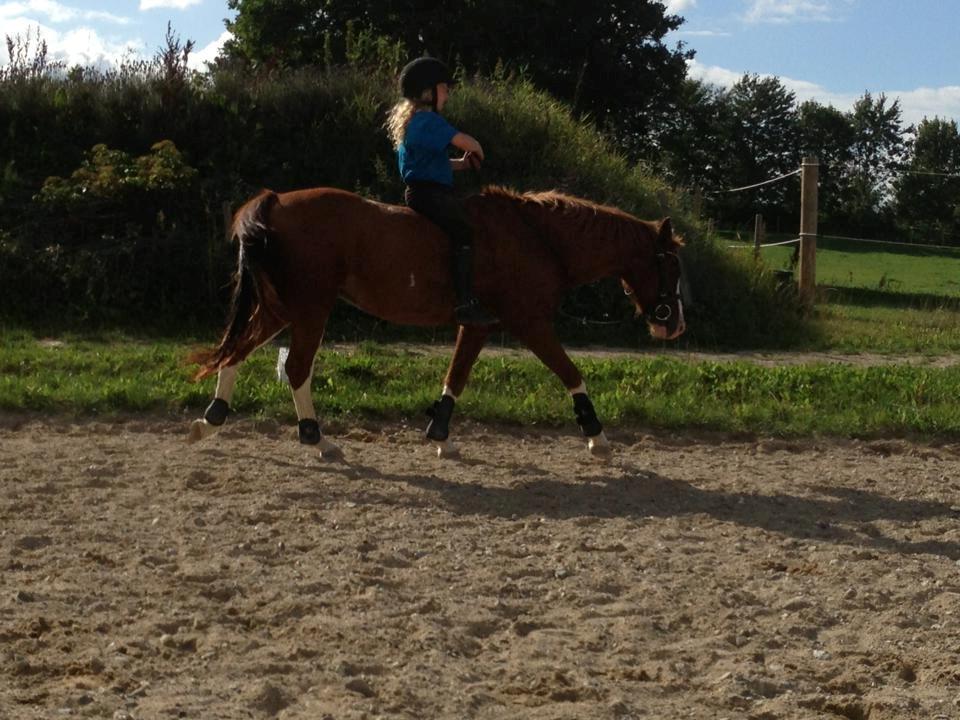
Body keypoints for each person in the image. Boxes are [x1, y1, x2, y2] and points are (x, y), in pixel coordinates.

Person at [386, 56, 497, 325]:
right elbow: (464, 141)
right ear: (428, 92)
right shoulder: (428, 121)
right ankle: (465, 302)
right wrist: (478, 149)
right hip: (430, 194)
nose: (447, 95)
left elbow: (433, 163)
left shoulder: (414, 122)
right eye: (444, 89)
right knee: (465, 232)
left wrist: (462, 164)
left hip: (424, 191)